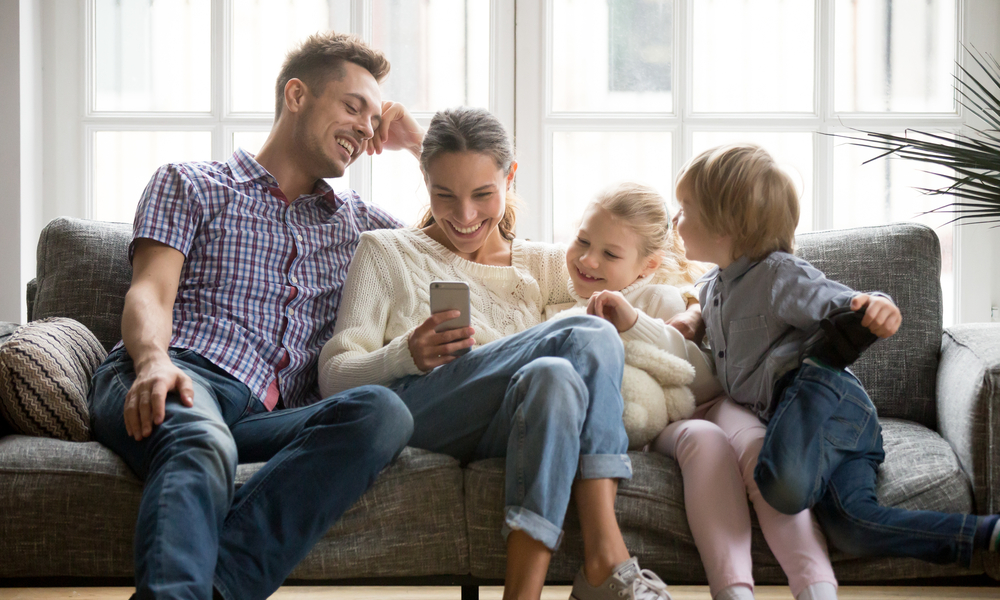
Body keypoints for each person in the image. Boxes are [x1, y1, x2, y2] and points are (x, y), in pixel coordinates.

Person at [87, 31, 426, 600]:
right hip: (180, 377)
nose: (367, 128)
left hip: (269, 418)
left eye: (374, 119)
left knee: (382, 413)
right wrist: (151, 362)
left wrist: (419, 145)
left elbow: (477, 241)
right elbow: (150, 291)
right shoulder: (192, 184)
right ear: (297, 95)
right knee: (201, 441)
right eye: (351, 107)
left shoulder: (362, 227)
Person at [319, 107, 675, 600]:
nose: (465, 217)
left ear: (509, 177)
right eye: (445, 195)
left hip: (510, 423)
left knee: (554, 374)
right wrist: (404, 354)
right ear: (424, 181)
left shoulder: (548, 264)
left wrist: (696, 313)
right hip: (424, 411)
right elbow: (333, 377)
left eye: (482, 195)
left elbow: (628, 299)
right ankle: (607, 560)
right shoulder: (386, 252)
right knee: (586, 333)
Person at [672, 143, 1000, 575]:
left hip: (831, 407)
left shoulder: (777, 274)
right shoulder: (711, 286)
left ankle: (823, 366)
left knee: (781, 488)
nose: (675, 219)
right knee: (851, 528)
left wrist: (879, 304)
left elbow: (845, 304)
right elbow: (704, 314)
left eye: (685, 208)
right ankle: (986, 534)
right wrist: (691, 321)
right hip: (819, 433)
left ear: (723, 226)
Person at [548, 183, 839, 600]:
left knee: (759, 447)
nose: (588, 259)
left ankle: (816, 586)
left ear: (647, 266)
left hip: (714, 402)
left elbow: (704, 378)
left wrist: (634, 324)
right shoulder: (564, 313)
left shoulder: (664, 298)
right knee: (705, 440)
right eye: (581, 241)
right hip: (668, 423)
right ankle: (732, 590)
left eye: (611, 254)